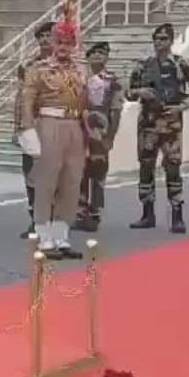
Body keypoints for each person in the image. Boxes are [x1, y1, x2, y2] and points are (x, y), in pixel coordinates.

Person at [125, 22, 189, 234]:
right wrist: (140, 92)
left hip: (171, 123)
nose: (158, 43)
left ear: (171, 41)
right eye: (156, 38)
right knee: (146, 167)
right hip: (147, 123)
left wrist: (181, 106)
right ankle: (147, 213)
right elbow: (128, 92)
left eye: (163, 39)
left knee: (172, 167)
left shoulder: (182, 64)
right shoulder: (143, 65)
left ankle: (177, 215)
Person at [18, 0, 87, 260]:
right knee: (47, 182)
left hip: (74, 126)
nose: (64, 48)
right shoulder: (38, 69)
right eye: (60, 42)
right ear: (52, 43)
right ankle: (43, 235)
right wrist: (27, 129)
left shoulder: (81, 69)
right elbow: (27, 99)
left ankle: (62, 234)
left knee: (72, 181)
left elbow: (86, 100)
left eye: (69, 43)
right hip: (49, 123)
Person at [75, 41, 123, 233]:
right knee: (79, 173)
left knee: (97, 173)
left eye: (101, 53)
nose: (97, 56)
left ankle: (94, 213)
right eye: (93, 53)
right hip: (79, 132)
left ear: (107, 57)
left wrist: (110, 137)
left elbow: (116, 111)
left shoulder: (113, 81)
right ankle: (80, 212)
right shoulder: (79, 80)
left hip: (100, 134)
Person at [14, 21, 55, 238]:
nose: (45, 40)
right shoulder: (29, 66)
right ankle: (35, 221)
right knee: (31, 174)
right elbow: (21, 98)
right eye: (41, 36)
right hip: (32, 127)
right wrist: (18, 126)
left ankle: (52, 220)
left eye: (49, 35)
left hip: (55, 127)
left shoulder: (65, 66)